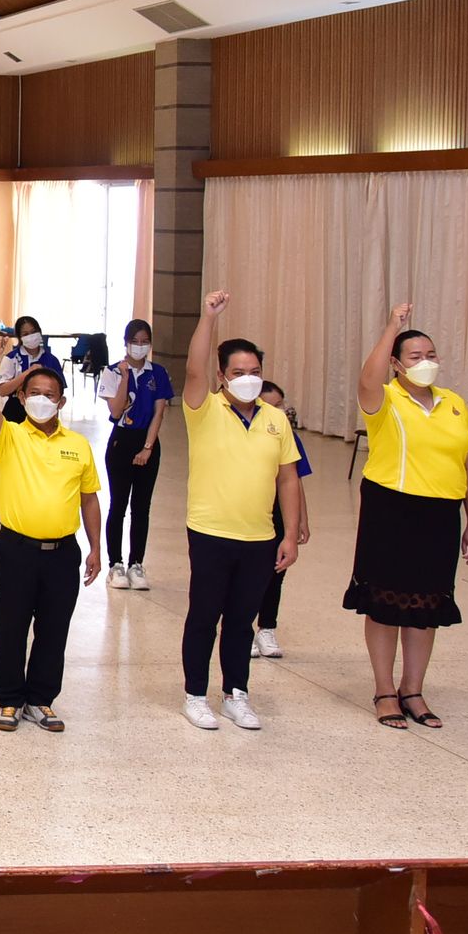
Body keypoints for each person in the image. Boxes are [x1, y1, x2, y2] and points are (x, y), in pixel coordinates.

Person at [346, 304, 468, 730]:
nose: (426, 362)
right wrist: (392, 326)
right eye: (415, 356)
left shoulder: (454, 403)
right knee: (385, 604)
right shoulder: (386, 399)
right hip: (391, 508)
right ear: (396, 364)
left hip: (439, 514)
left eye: (431, 355)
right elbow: (367, 379)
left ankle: (413, 689)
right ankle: (384, 690)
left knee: (427, 604)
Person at [175, 292, 304, 731]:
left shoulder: (275, 418)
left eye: (254, 372)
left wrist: (290, 534)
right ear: (222, 376)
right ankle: (195, 694)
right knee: (204, 616)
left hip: (259, 537)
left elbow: (288, 478)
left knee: (241, 621)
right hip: (210, 531)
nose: (247, 379)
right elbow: (194, 369)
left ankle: (236, 693)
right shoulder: (204, 407)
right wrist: (207, 317)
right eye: (237, 372)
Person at [0, 331, 101, 732]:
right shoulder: (11, 436)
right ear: (22, 396)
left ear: (61, 402)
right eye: (34, 393)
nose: (42, 400)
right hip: (16, 550)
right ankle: (10, 699)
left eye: (50, 395)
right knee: (12, 627)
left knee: (54, 629)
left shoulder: (78, 445)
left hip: (63, 553)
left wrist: (95, 547)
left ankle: (41, 699)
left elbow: (89, 500)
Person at [98, 318, 173, 590]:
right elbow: (116, 410)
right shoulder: (111, 372)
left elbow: (159, 413)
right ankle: (115, 564)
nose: (140, 346)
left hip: (147, 442)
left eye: (144, 342)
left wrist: (147, 448)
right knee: (118, 504)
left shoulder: (158, 373)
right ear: (126, 343)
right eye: (135, 341)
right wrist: (126, 377)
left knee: (142, 507)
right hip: (121, 441)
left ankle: (136, 564)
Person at [252, 379, 313, 659]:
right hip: (251, 509)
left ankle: (267, 627)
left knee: (277, 570)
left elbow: (295, 480)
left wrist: (300, 519)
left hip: (280, 509)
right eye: (273, 405)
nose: (280, 410)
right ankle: (243, 628)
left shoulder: (287, 435)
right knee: (250, 572)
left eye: (281, 404)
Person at [0, 315, 63, 426]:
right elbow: (2, 391)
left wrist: (54, 421)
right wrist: (28, 373)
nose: (31, 336)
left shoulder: (52, 360)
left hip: (43, 412)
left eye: (33, 332)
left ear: (39, 332)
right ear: (19, 337)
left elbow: (58, 394)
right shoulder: (11, 358)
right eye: (25, 334)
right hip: (16, 410)